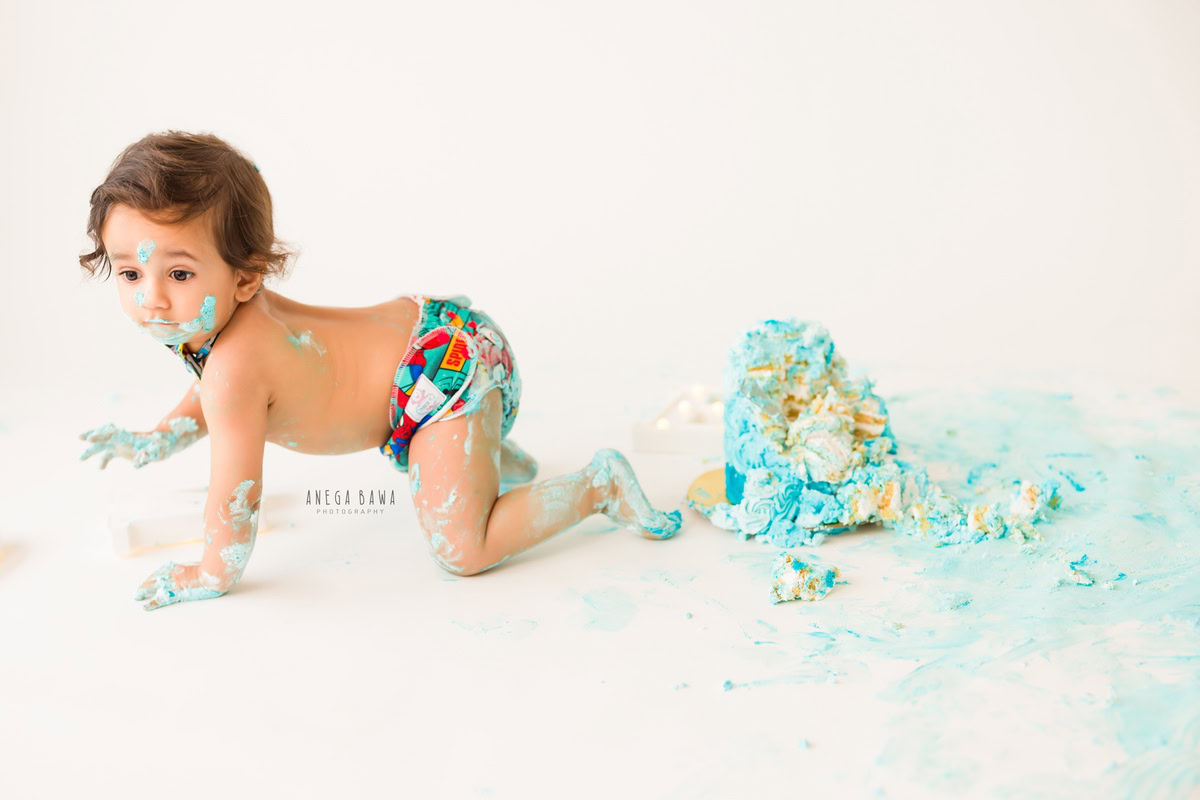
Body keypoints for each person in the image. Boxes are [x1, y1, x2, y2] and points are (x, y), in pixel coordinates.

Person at [78, 130, 682, 611]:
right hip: (434, 336)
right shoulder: (226, 331)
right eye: (130, 274)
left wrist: (211, 572)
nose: (150, 297)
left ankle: (597, 485)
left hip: (444, 376)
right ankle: (493, 458)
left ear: (244, 276)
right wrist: (153, 439)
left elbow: (235, 495)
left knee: (462, 550)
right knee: (454, 483)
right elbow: (206, 395)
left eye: (178, 274)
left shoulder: (235, 366)